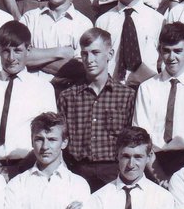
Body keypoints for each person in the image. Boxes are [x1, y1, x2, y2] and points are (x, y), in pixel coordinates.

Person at [0, 21, 57, 178]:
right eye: (6, 51)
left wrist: (17, 171)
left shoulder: (43, 89)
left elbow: (46, 136)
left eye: (17, 50)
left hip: (28, 169)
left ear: (28, 50)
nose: (11, 57)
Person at [133, 22, 184, 180]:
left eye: (178, 51)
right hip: (154, 163)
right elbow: (142, 137)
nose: (171, 58)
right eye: (166, 51)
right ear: (159, 50)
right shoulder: (147, 88)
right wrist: (161, 178)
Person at [58, 28, 137, 191]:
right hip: (78, 172)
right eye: (85, 54)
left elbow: (131, 140)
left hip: (113, 173)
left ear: (110, 54)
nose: (89, 59)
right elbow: (61, 140)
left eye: (95, 52)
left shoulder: (127, 95)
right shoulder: (68, 96)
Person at [20, 0, 94, 87]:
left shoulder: (83, 23)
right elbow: (18, 56)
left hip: (67, 92)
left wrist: (34, 58)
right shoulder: (29, 18)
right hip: (31, 90)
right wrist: (60, 52)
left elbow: (80, 67)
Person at [96, 0, 162, 87]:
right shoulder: (103, 21)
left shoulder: (158, 20)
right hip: (113, 90)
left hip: (148, 88)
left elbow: (163, 61)